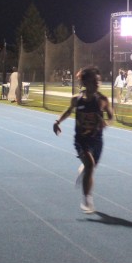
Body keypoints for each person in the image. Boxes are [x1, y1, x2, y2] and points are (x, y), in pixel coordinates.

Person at [53, 66, 114, 214]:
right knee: (90, 165)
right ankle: (87, 200)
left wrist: (106, 123)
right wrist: (57, 121)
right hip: (81, 140)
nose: (98, 83)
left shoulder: (103, 100)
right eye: (94, 81)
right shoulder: (77, 99)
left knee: (90, 167)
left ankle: (84, 168)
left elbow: (112, 117)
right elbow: (69, 111)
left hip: (97, 140)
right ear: (86, 82)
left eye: (99, 81)